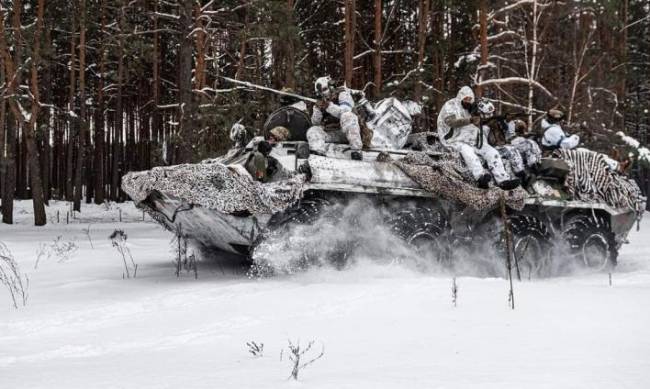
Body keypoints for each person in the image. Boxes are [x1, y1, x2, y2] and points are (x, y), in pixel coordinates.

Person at [437, 87, 519, 189]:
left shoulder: (470, 108)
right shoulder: (451, 105)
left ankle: (503, 180)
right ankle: (480, 178)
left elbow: (480, 119)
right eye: (466, 99)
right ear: (460, 97)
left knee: (491, 152)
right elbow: (451, 122)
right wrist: (470, 120)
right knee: (469, 153)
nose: (468, 101)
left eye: (470, 99)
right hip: (452, 139)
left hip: (469, 138)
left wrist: (492, 118)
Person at [306, 76, 363, 160]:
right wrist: (318, 109)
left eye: (325, 89)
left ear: (331, 87)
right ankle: (318, 155)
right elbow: (315, 123)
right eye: (320, 92)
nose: (323, 93)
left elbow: (346, 110)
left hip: (349, 133)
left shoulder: (343, 94)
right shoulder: (320, 102)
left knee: (347, 116)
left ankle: (356, 152)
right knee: (313, 130)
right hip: (332, 133)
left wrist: (329, 106)